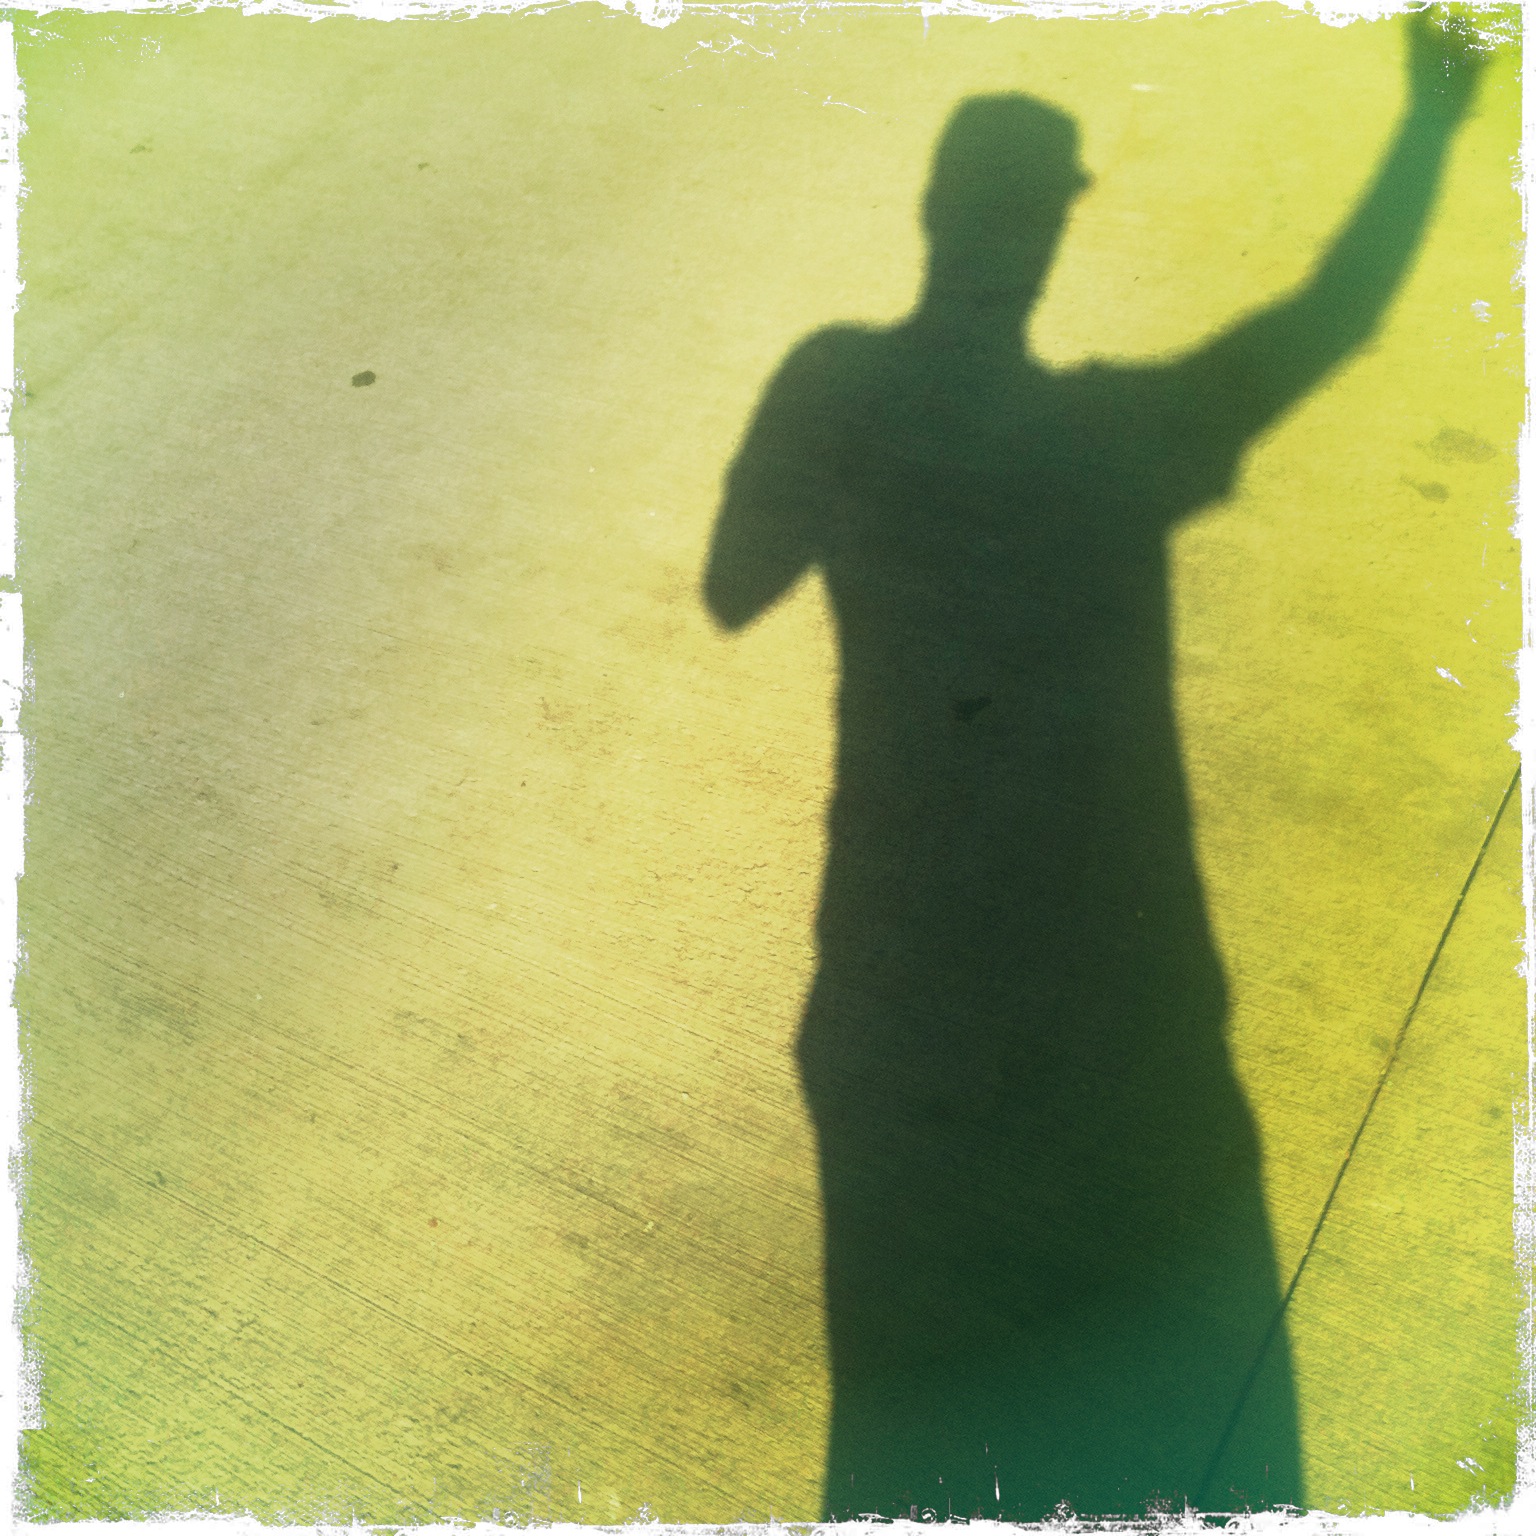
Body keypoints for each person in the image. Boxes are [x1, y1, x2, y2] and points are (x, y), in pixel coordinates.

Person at [704, 12, 1485, 1519]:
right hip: (1126, 1017)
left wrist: (843, 451)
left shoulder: (845, 389)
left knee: (909, 1453)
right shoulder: (1119, 438)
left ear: (933, 215)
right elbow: (1324, 322)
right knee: (1190, 1451)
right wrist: (1426, 130)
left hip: (901, 997)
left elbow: (736, 582)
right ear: (1051, 235)